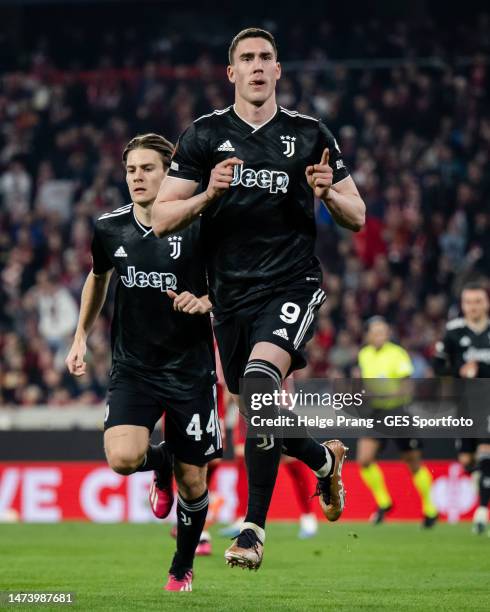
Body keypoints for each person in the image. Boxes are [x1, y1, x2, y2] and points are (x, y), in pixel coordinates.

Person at [152, 28, 366, 569]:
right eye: (245, 58)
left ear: (278, 70)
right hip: (229, 297)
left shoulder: (309, 133)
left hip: (292, 284)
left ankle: (253, 529)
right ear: (231, 72)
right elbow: (160, 217)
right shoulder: (202, 137)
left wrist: (327, 195)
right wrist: (209, 193)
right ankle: (323, 459)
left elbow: (356, 215)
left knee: (258, 385)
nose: (255, 66)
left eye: (265, 58)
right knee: (259, 407)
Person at [65, 133, 221, 592]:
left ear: (169, 172)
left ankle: (181, 569)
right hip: (134, 368)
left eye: (147, 168)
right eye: (131, 169)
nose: (137, 177)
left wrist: (208, 300)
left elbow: (233, 282)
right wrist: (79, 337)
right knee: (122, 457)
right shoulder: (110, 228)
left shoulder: (199, 224)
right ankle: (161, 462)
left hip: (190, 371)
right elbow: (98, 279)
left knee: (194, 485)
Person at [356, 317, 438, 527]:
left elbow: (407, 385)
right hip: (375, 413)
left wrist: (387, 396)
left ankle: (430, 509)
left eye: (383, 331)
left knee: (413, 462)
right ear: (368, 335)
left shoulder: (397, 353)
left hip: (397, 411)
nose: (379, 335)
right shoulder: (364, 354)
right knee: (364, 459)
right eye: (375, 332)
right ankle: (384, 503)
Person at [433, 281, 490, 534]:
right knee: (468, 460)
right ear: (463, 305)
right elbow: (439, 367)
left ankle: (481, 512)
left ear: (486, 303)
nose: (474, 307)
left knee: (486, 451)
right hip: (464, 404)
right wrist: (458, 371)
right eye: (469, 302)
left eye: (478, 301)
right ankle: (481, 479)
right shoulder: (453, 331)